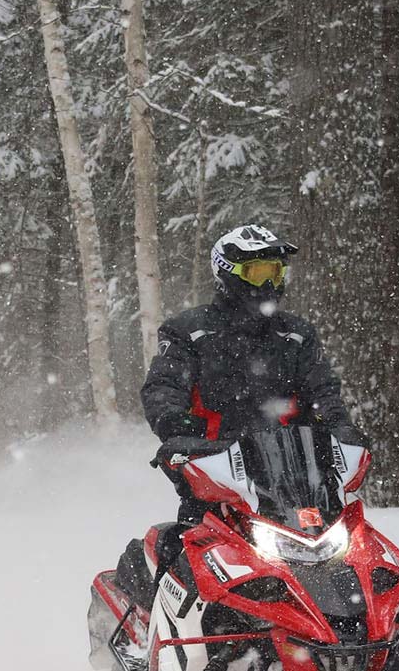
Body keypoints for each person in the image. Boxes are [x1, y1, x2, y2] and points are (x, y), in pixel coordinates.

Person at [141, 222, 365, 523]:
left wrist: (340, 430)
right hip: (218, 475)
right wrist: (177, 429)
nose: (269, 284)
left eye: (276, 272)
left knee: (354, 551)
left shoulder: (296, 334)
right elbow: (163, 388)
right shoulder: (189, 331)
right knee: (182, 545)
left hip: (298, 479)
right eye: (258, 273)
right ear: (227, 274)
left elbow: (322, 391)